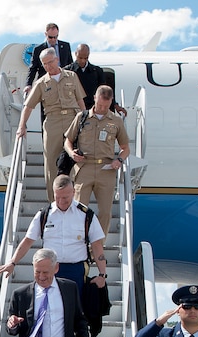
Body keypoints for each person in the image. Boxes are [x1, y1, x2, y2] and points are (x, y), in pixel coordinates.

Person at [0, 174, 108, 291]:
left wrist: (102, 274)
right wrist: (12, 262)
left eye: (65, 198)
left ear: (73, 192)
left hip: (76, 270)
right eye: (57, 197)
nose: (61, 201)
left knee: (73, 307)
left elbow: (96, 245)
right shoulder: (44, 215)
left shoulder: (86, 215)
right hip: (49, 270)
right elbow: (28, 240)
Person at [17, 49, 86, 202]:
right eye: (45, 64)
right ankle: (53, 202)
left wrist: (86, 119)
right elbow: (28, 106)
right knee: (51, 163)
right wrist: (22, 126)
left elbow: (80, 100)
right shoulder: (41, 83)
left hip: (72, 120)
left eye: (50, 62)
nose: (48, 66)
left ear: (57, 60)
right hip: (52, 122)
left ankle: (76, 201)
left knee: (76, 159)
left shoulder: (72, 76)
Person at [64, 84, 131, 236]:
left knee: (105, 212)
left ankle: (99, 246)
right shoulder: (82, 117)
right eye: (99, 104)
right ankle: (78, 241)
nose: (101, 108)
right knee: (79, 209)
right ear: (94, 98)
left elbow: (125, 148)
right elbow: (68, 140)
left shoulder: (115, 120)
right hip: (84, 167)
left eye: (106, 106)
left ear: (111, 102)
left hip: (105, 170)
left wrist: (119, 160)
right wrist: (71, 153)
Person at [64, 44, 126, 114]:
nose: (83, 61)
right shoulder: (67, 71)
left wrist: (115, 104)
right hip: (74, 110)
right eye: (80, 58)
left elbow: (104, 90)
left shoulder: (97, 71)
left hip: (92, 110)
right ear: (75, 54)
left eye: (85, 58)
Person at [24, 22, 73, 92]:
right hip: (46, 84)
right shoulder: (38, 49)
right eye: (50, 37)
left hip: (63, 82)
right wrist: (28, 84)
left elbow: (70, 64)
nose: (53, 39)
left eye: (55, 37)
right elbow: (33, 68)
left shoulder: (65, 46)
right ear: (46, 34)